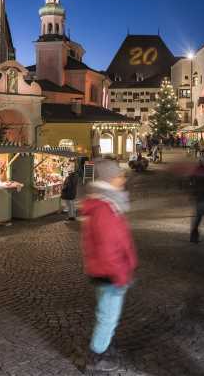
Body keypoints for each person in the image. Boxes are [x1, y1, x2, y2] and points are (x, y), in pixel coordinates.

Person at [81, 159, 137, 372]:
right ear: (110, 178)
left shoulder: (107, 203)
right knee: (107, 316)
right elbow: (107, 246)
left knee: (106, 314)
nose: (123, 179)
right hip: (110, 272)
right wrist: (121, 273)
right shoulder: (105, 208)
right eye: (120, 175)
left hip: (107, 270)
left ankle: (104, 346)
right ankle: (95, 357)